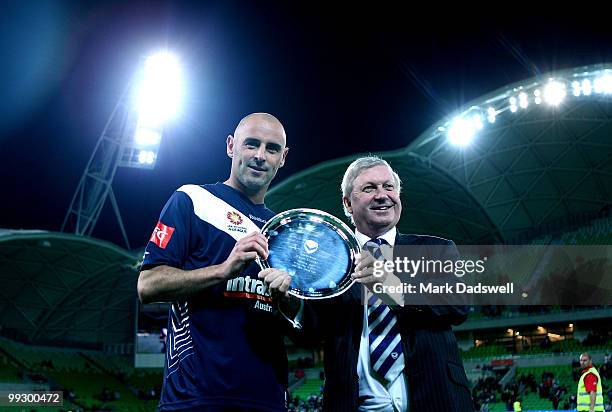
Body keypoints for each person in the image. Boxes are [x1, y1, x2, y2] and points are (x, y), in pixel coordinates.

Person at [137, 113, 306, 411]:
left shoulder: (282, 230)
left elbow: (298, 328)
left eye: (272, 148)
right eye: (251, 144)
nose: (260, 156)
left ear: (283, 158)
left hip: (267, 400)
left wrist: (288, 301)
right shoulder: (191, 200)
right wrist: (223, 270)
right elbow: (148, 286)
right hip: (195, 399)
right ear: (231, 146)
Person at [313, 156, 473, 411]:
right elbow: (312, 328)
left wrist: (394, 287)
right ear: (347, 202)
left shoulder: (436, 249)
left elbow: (458, 304)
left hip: (436, 400)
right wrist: (288, 300)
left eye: (389, 187)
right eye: (369, 188)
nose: (382, 195)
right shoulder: (331, 260)